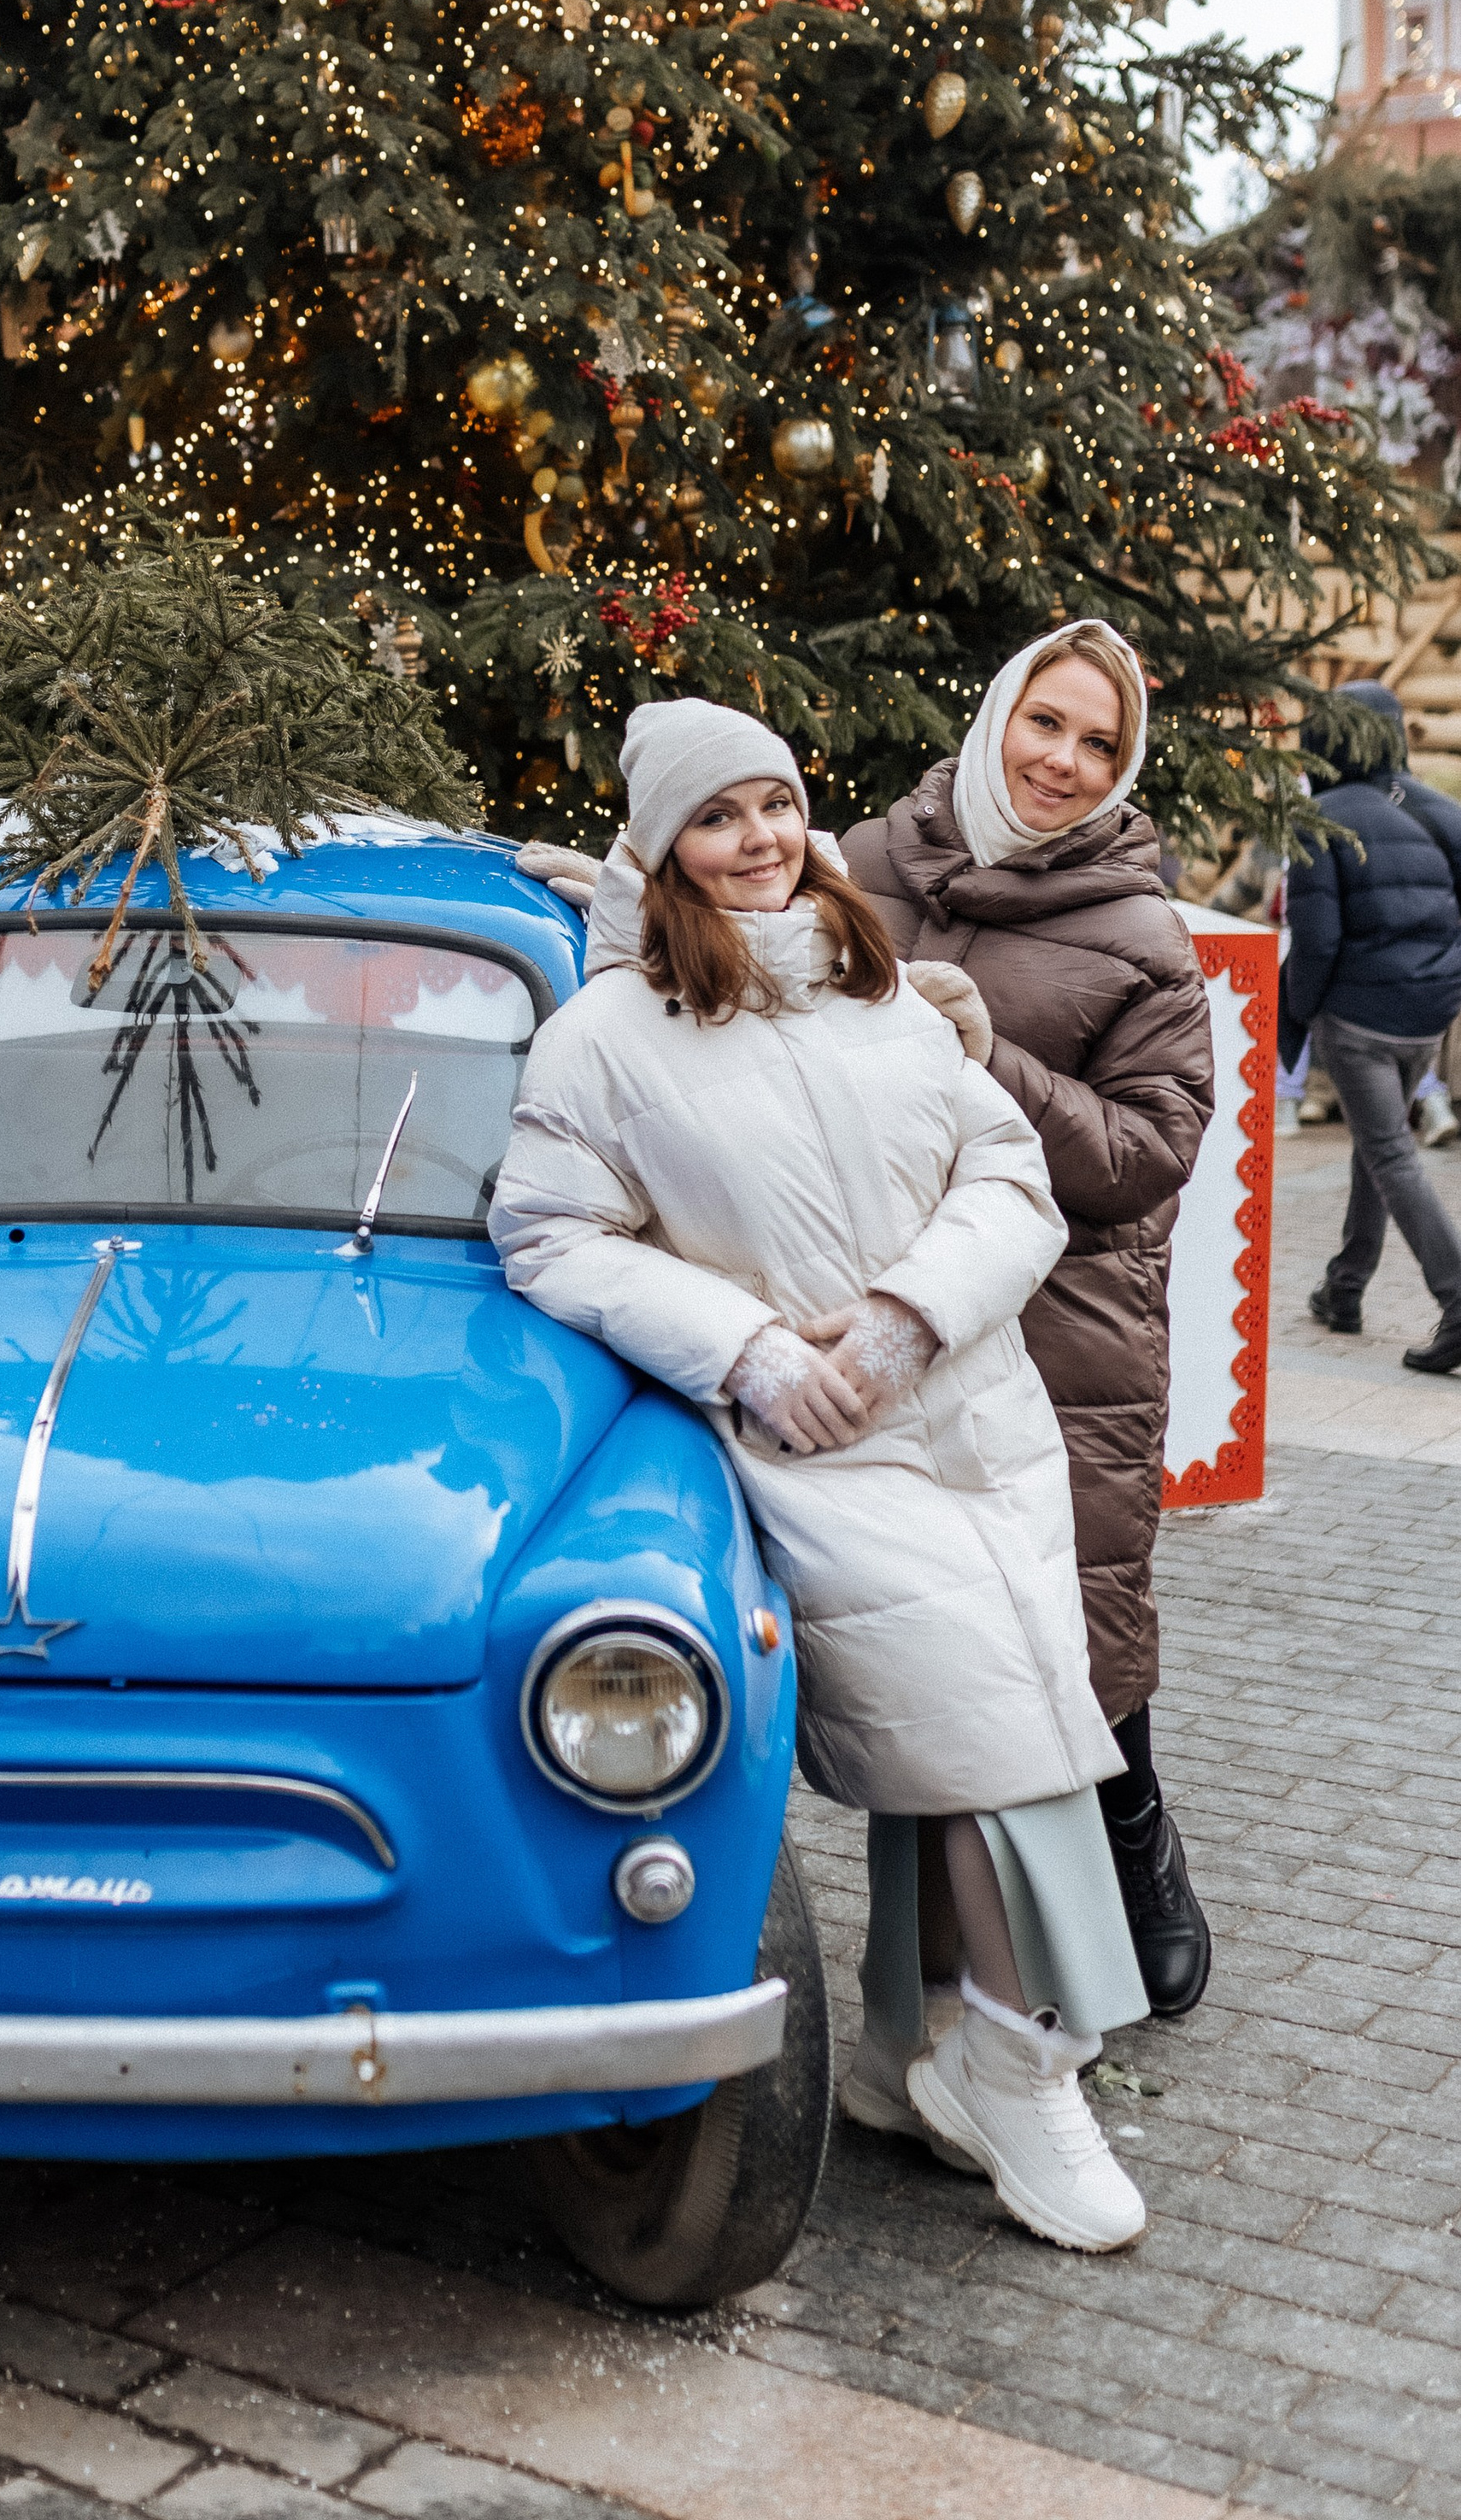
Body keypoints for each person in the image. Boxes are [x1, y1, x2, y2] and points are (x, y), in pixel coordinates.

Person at [494, 702, 1150, 2255]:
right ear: (663, 849)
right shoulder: (604, 1034)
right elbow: (549, 1237)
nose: (762, 841)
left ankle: (902, 2054)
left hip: (981, 1421)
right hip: (831, 1449)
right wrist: (750, 1354)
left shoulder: (884, 995)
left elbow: (1009, 1177)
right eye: (718, 817)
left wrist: (917, 1309)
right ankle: (1023, 2065)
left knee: (982, 1747)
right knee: (998, 1758)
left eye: (778, 805)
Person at [841, 626, 1216, 2024]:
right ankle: (959, 1943)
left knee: (1078, 1607)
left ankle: (1140, 1844)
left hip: (1068, 1319)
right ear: (995, 716)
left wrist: (982, 1059)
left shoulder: (1142, 934)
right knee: (922, 1619)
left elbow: (1147, 1152)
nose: (1063, 760)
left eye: (1099, 743)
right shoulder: (864, 867)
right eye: (1044, 723)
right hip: (885, 1302)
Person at [1279, 678, 1461, 1375]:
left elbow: (1316, 939)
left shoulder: (1317, 815)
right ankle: (1345, 1287)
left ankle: (1456, 1299)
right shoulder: (1442, 811)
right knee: (1375, 1143)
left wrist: (1301, 1011)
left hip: (1358, 1016)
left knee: (1390, 1153)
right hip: (1428, 1016)